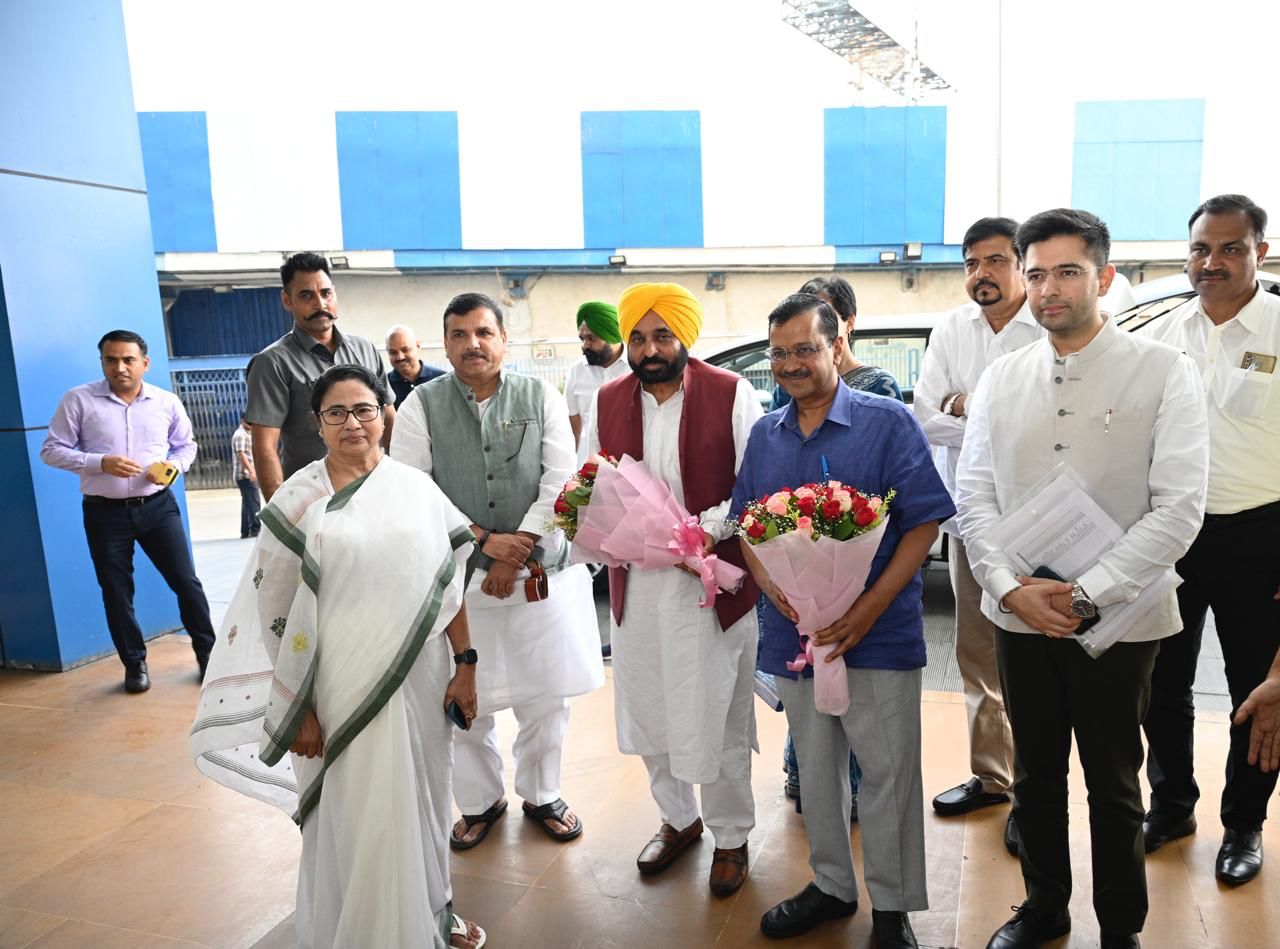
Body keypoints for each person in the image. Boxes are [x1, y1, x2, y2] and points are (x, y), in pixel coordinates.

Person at [955, 209, 1209, 949]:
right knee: (1034, 774)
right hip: (1019, 615)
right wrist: (1007, 589)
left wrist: (1087, 591)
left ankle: (1121, 926)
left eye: (1067, 271)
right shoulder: (1002, 377)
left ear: (1103, 276)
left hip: (1122, 617)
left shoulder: (1163, 370)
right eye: (1035, 273)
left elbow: (1180, 507)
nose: (1047, 289)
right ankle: (1043, 907)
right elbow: (976, 496)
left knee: (1114, 778)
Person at [192, 364, 485, 949]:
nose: (353, 423)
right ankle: (358, 926)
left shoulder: (414, 487)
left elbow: (446, 585)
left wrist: (466, 664)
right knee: (354, 810)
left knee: (426, 793)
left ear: (384, 415)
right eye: (337, 413)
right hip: (337, 684)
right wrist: (297, 706)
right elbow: (274, 613)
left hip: (421, 674)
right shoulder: (298, 499)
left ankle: (430, 912)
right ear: (317, 424)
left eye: (365, 410)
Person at [732, 292, 953, 946]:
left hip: (876, 634)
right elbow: (747, 522)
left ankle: (892, 908)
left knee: (887, 772)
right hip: (796, 635)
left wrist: (866, 608)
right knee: (817, 773)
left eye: (805, 348)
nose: (792, 364)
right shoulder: (764, 435)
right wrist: (773, 585)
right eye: (779, 353)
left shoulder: (887, 422)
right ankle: (830, 884)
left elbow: (923, 522)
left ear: (836, 346)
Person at [392, 292, 604, 851]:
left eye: (484, 332)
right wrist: (486, 544)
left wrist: (522, 546)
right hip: (460, 580)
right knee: (466, 693)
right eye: (459, 335)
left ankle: (543, 792)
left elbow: (561, 478)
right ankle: (480, 801)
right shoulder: (420, 405)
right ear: (446, 343)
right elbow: (416, 489)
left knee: (544, 695)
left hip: (538, 572)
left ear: (504, 340)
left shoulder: (541, 395)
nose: (472, 344)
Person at [585, 282, 763, 897]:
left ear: (686, 337)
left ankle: (732, 834)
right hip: (638, 588)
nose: (650, 348)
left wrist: (702, 534)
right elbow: (590, 484)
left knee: (716, 715)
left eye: (663, 335)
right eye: (638, 336)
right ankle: (679, 819)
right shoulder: (609, 398)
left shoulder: (731, 393)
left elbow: (754, 485)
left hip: (709, 588)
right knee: (652, 709)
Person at [1140, 193, 1280, 886]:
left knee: (1256, 687)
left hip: (1264, 533)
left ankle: (1244, 823)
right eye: (1201, 248)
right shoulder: (1164, 336)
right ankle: (1171, 804)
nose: (1213, 261)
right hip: (1175, 532)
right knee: (1161, 680)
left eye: (1231, 248)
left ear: (1261, 249)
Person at [914, 217, 1042, 851]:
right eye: (970, 263)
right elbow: (925, 415)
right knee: (978, 654)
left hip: (1045, 523)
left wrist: (970, 406)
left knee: (1041, 662)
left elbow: (1050, 429)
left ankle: (1039, 793)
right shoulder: (950, 329)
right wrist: (997, 419)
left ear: (1021, 265)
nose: (980, 274)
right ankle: (994, 779)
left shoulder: (1048, 324)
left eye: (994, 261)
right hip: (971, 520)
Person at [773, 276, 904, 816]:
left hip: (859, 566)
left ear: (842, 328)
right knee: (806, 678)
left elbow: (887, 501)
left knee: (858, 694)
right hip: (803, 574)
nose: (799, 355)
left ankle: (851, 789)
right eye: (786, 348)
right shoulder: (787, 400)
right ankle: (806, 773)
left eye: (815, 333)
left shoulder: (879, 393)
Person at [40, 330, 216, 693]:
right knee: (116, 591)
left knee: (186, 581)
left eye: (128, 359)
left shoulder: (166, 403)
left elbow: (187, 447)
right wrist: (98, 462)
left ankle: (209, 656)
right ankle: (134, 665)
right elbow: (52, 450)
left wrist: (172, 469)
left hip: (157, 507)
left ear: (144, 363)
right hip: (105, 514)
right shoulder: (79, 401)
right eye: (111, 360)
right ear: (102, 361)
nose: (119, 367)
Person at [246, 252, 393, 502]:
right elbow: (265, 448)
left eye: (326, 293)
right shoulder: (272, 363)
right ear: (286, 300)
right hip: (315, 500)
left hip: (375, 494)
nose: (320, 304)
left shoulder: (365, 349)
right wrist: (282, 518)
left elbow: (388, 418)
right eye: (306, 295)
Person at [769, 275, 900, 411]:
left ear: (850, 322)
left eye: (827, 317)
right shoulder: (789, 386)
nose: (817, 327)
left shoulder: (881, 385)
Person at [564, 301, 628, 464]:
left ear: (612, 336)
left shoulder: (637, 369)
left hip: (635, 464)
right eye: (582, 338)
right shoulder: (576, 371)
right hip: (590, 465)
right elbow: (574, 421)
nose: (585, 345)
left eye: (592, 338)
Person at [385, 323, 446, 409]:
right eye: (393, 352)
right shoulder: (384, 386)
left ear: (418, 346)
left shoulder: (442, 379)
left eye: (405, 350)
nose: (400, 357)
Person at [231, 415, 261, 538]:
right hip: (245, 475)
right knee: (254, 501)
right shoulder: (240, 435)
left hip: (245, 475)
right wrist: (251, 471)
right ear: (243, 421)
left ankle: (245, 530)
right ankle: (255, 529)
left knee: (247, 502)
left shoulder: (246, 433)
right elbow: (241, 454)